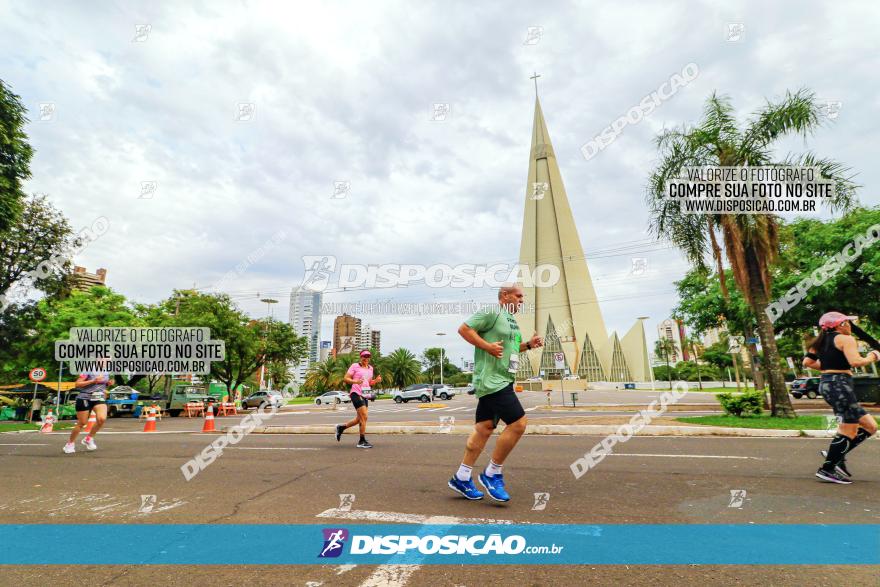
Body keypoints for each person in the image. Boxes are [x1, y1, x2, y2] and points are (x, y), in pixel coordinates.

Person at [448, 284, 543, 501]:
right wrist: (486, 347)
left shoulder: (511, 321)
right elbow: (464, 329)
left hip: (504, 380)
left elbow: (509, 349)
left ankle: (461, 477)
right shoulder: (492, 312)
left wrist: (528, 345)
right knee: (518, 424)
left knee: (484, 428)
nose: (522, 300)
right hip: (492, 381)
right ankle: (492, 473)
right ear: (504, 296)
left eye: (522, 297)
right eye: (518, 296)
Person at [803, 312, 879, 484]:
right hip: (840, 385)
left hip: (828, 384)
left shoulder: (819, 342)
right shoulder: (845, 339)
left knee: (871, 426)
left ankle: (836, 455)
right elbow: (855, 362)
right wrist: (873, 356)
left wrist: (829, 367)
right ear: (840, 324)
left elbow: (807, 362)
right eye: (848, 323)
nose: (850, 326)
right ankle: (827, 469)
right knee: (849, 429)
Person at [336, 350, 381, 448]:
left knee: (359, 419)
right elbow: (346, 378)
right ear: (361, 357)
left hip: (365, 393)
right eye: (364, 356)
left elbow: (368, 383)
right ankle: (361, 441)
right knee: (364, 416)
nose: (366, 358)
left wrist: (376, 381)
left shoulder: (370, 368)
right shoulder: (355, 366)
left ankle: (341, 428)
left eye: (368, 356)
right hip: (355, 393)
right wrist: (355, 382)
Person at [63, 369, 110, 454]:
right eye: (105, 359)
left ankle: (89, 438)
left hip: (98, 397)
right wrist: (93, 381)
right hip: (84, 397)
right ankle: (70, 444)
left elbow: (102, 385)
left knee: (102, 419)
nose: (106, 362)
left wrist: (108, 384)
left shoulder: (107, 372)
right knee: (82, 422)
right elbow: (77, 384)